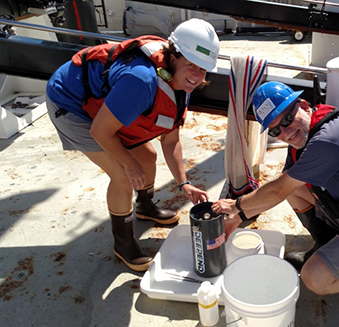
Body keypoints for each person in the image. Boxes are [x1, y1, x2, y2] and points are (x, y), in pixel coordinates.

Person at [212, 81, 339, 299]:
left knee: (314, 278)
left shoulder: (328, 139)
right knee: (292, 189)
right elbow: (283, 188)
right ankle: (326, 245)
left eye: (287, 119)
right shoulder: (303, 140)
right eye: (275, 130)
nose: (285, 131)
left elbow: (276, 191)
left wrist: (235, 205)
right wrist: (241, 216)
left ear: (303, 105)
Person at [46, 18, 219, 272]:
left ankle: (145, 206)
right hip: (71, 104)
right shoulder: (142, 80)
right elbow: (100, 132)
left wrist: (184, 183)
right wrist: (127, 164)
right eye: (192, 65)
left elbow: (170, 140)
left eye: (203, 69)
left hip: (103, 103)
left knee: (146, 158)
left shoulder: (181, 80)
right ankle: (123, 243)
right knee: (123, 175)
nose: (196, 75)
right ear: (173, 57)